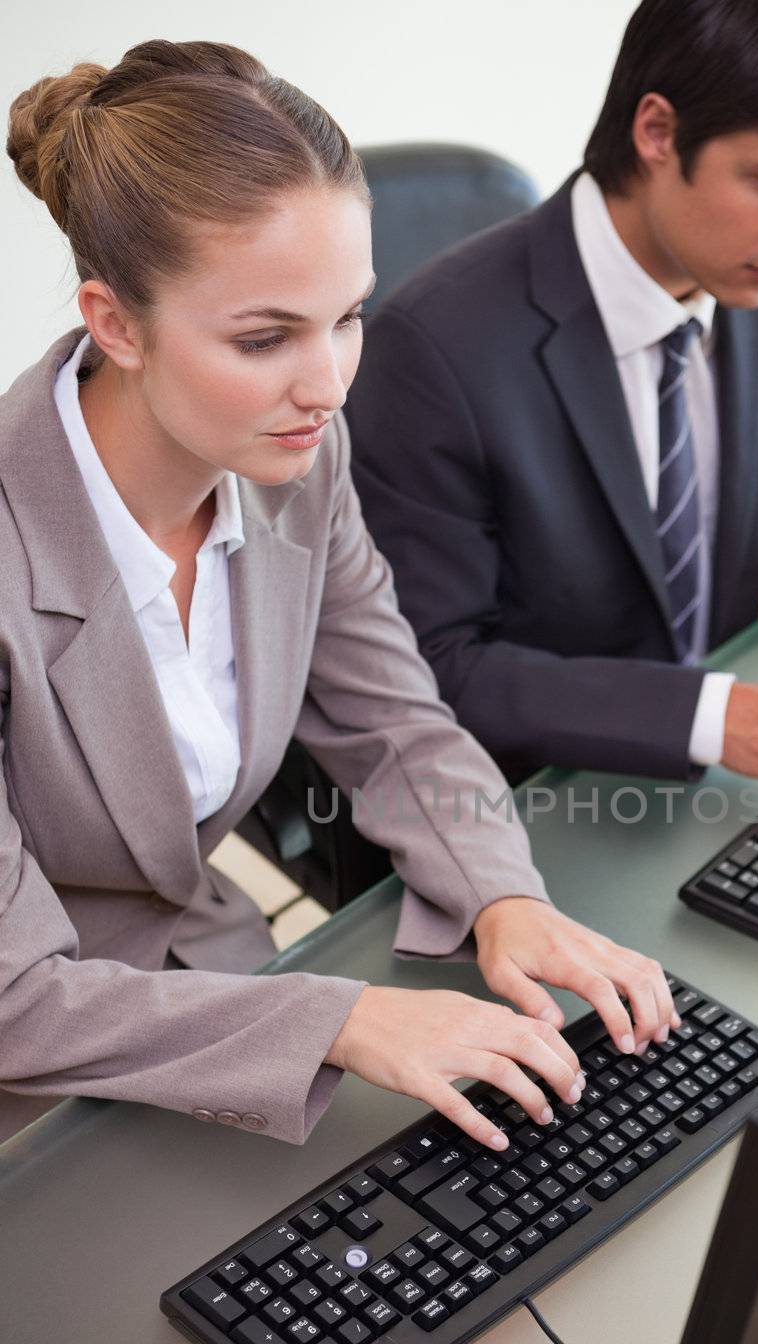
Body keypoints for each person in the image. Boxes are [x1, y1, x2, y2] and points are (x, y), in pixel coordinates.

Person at [0, 39, 677, 1149]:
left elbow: (392, 720)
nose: (325, 385)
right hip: (31, 1083)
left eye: (347, 316)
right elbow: (16, 997)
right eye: (265, 337)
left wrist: (506, 896)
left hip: (207, 980)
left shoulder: (296, 461)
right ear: (114, 322)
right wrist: (348, 1020)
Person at [346, 0, 758, 795]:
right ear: (656, 132)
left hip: (731, 756)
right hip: (545, 791)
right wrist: (707, 715)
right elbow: (433, 664)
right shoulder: (432, 351)